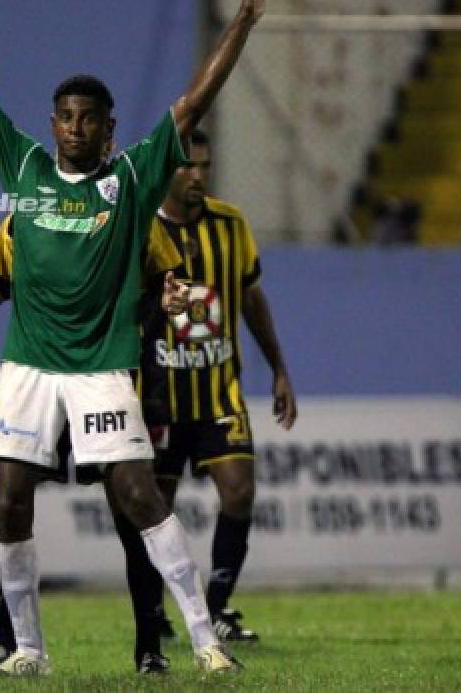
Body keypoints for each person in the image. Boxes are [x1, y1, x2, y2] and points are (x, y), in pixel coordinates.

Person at [0, 0, 265, 675]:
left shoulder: (133, 180)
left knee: (138, 496)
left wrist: (240, 23)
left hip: (103, 369)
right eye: (65, 118)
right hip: (27, 367)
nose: (75, 129)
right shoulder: (26, 170)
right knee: (9, 500)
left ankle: (203, 640)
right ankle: (28, 650)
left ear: (110, 131)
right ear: (52, 124)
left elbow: (193, 104)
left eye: (89, 121)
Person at [0, 214, 187, 674]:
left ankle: (149, 648)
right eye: (65, 133)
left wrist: (168, 304)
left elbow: (167, 288)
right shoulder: (23, 217)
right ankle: (9, 644)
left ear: (107, 140)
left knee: (132, 506)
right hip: (35, 379)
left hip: (107, 375)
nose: (75, 136)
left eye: (91, 134)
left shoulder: (132, 211)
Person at [135, 129, 297, 647]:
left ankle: (218, 606)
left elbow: (251, 300)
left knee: (240, 490)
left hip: (218, 394)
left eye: (205, 165)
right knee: (155, 508)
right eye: (188, 167)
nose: (198, 175)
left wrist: (278, 369)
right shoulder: (137, 229)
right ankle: (153, 612)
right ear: (166, 173)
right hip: (157, 396)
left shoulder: (231, 224)